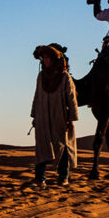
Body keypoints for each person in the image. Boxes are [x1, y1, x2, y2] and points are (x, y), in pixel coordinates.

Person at [31, 44, 78, 187]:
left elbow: (72, 98)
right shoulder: (41, 76)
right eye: (43, 58)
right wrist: (34, 116)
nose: (45, 60)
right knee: (42, 147)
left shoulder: (64, 77)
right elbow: (37, 96)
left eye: (47, 57)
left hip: (60, 116)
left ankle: (63, 177)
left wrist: (71, 119)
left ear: (54, 59)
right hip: (43, 116)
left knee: (62, 146)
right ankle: (40, 178)